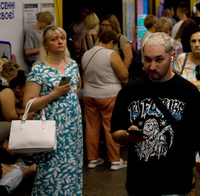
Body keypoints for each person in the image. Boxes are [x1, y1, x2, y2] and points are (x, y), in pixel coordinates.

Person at [111, 33, 200, 196]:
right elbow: (115, 133)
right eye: (147, 60)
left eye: (159, 60)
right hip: (139, 185)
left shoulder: (188, 92)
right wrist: (126, 136)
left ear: (172, 56)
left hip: (176, 186)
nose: (152, 66)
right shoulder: (129, 92)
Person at [23, 26, 83, 195]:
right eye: (54, 39)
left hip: (73, 128)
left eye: (62, 38)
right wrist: (54, 94)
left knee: (72, 167)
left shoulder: (72, 65)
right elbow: (28, 104)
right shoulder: (38, 69)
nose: (60, 41)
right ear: (46, 44)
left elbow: (76, 87)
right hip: (50, 127)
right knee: (51, 171)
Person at [81, 29, 128, 171]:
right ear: (112, 42)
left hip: (89, 94)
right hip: (109, 95)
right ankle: (115, 161)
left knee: (91, 127)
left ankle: (92, 159)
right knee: (110, 128)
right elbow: (124, 74)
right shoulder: (111, 54)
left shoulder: (86, 54)